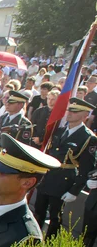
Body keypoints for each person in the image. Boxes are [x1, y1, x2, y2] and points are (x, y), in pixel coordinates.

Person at [34, 98, 97, 238]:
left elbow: (86, 168)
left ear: (85, 115)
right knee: (38, 210)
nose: (69, 113)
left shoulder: (88, 138)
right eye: (70, 110)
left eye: (75, 111)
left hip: (64, 180)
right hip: (48, 176)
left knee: (55, 217)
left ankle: (49, 243)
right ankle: (33, 239)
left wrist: (74, 191)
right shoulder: (59, 130)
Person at [0, 91, 34, 189]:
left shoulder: (24, 124)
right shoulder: (3, 117)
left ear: (20, 105)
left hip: (7, 159)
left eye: (11, 102)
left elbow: (22, 147)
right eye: (7, 101)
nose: (7, 104)